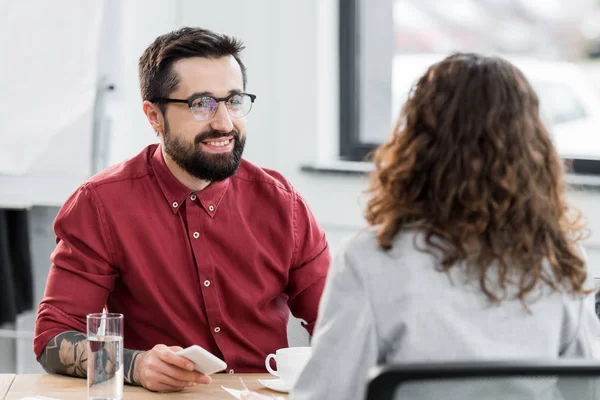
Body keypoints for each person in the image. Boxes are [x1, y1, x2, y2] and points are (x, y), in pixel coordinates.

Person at [242, 53, 600, 400]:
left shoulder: (370, 259)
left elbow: (327, 394)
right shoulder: (561, 260)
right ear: (532, 150)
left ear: (416, 145)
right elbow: (587, 390)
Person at [33, 27, 330, 393]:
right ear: (154, 116)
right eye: (201, 104)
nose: (224, 122)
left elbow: (341, 324)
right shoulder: (100, 204)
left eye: (234, 101)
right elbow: (53, 337)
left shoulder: (284, 204)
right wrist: (135, 365)